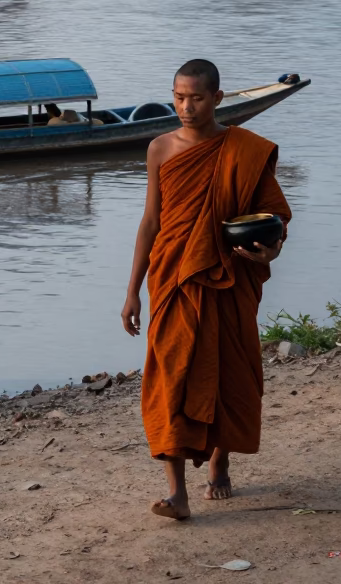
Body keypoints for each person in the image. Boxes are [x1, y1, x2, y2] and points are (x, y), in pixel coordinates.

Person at [121, 58, 292, 521]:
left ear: (217, 98)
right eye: (178, 97)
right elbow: (151, 222)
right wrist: (132, 290)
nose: (186, 106)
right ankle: (177, 493)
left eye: (196, 97)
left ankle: (220, 461)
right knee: (169, 376)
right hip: (174, 278)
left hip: (229, 277)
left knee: (228, 370)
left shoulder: (243, 149)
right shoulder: (160, 148)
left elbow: (274, 217)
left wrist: (269, 253)